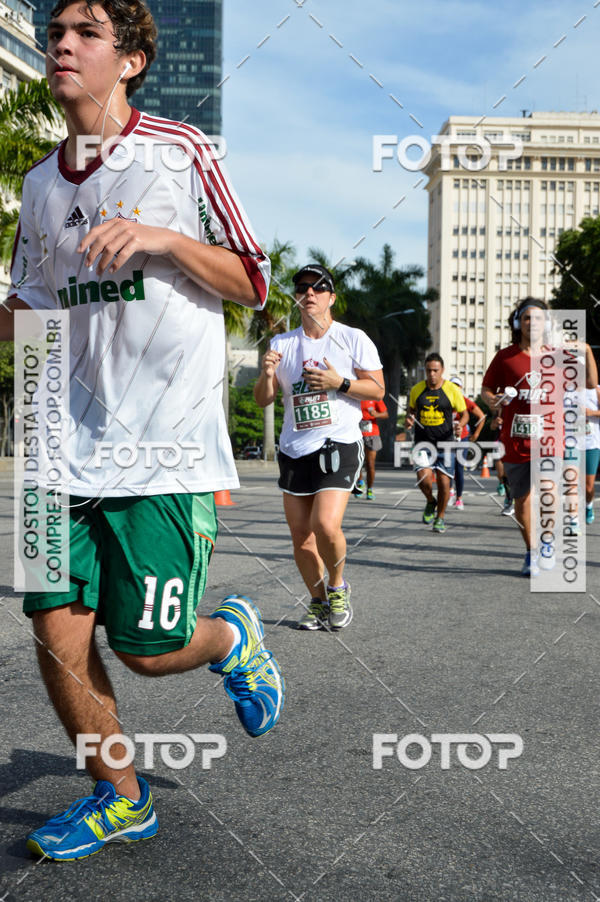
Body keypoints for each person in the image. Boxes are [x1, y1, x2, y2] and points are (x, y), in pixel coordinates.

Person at [3, 0, 284, 861]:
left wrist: (162, 238)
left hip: (160, 448)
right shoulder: (42, 185)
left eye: (85, 34)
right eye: (55, 33)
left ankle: (232, 635)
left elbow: (252, 281)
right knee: (56, 634)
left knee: (149, 648)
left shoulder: (180, 151)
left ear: (129, 60)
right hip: (58, 449)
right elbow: (30, 311)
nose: (61, 45)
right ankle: (120, 796)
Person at [253, 264, 384, 630]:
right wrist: (266, 375)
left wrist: (338, 382)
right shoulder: (282, 344)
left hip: (338, 442)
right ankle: (318, 601)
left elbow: (377, 389)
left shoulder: (352, 338)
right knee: (301, 537)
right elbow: (264, 399)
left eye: (317, 287)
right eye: (302, 288)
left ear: (331, 297)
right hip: (295, 448)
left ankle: (338, 587)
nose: (308, 293)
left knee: (324, 524)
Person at [482, 297, 597, 576]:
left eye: (538, 318)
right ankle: (532, 551)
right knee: (522, 502)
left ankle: (547, 543)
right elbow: (486, 390)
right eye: (527, 318)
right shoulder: (505, 357)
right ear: (518, 323)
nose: (532, 323)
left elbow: (591, 382)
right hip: (517, 439)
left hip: (549, 439)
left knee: (548, 489)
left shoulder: (559, 356)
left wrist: (587, 350)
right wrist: (493, 400)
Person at [406, 353, 468, 533]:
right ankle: (430, 501)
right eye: (428, 371)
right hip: (422, 443)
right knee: (424, 480)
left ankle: (440, 517)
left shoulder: (452, 390)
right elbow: (411, 412)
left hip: (446, 443)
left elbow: (464, 414)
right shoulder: (417, 389)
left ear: (442, 370)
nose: (432, 374)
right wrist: (409, 421)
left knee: (443, 483)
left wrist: (460, 426)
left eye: (435, 370)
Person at [448, 376, 485, 511]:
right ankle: (450, 492)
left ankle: (459, 498)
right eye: (452, 385)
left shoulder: (465, 401)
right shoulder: (443, 399)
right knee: (446, 468)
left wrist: (476, 434)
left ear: (461, 388)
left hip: (461, 438)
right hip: (446, 438)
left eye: (457, 386)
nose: (455, 388)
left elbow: (481, 416)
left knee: (458, 468)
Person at [354, 398, 388, 500]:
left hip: (372, 434)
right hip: (356, 433)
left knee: (370, 464)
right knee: (357, 461)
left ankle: (370, 489)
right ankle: (360, 482)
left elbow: (385, 414)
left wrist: (376, 414)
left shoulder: (374, 397)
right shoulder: (354, 396)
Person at [584, 385, 600, 523]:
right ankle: (573, 519)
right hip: (569, 443)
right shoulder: (564, 389)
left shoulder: (597, 389)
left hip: (591, 443)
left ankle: (588, 505)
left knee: (588, 486)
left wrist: (591, 413)